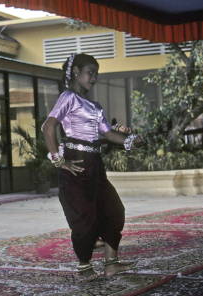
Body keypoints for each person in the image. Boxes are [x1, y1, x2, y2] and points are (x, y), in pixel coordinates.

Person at [42, 53, 145, 280]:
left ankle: (111, 263)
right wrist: (60, 160)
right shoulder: (68, 97)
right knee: (83, 217)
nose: (94, 78)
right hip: (75, 164)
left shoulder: (94, 105)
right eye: (90, 72)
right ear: (76, 72)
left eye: (96, 74)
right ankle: (84, 267)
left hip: (95, 165)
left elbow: (108, 133)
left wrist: (132, 140)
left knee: (113, 210)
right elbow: (48, 127)